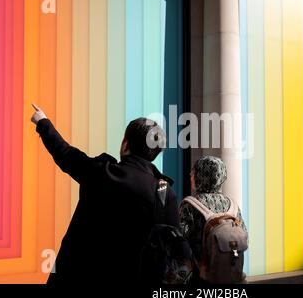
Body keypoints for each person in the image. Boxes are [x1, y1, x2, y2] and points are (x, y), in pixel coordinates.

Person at [30, 104, 179, 286]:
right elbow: (173, 248)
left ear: (125, 144)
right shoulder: (164, 194)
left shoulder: (102, 172)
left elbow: (65, 153)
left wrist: (43, 122)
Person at [179, 156, 247, 284]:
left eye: (194, 172)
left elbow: (182, 242)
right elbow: (245, 237)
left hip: (200, 277)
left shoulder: (190, 204)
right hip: (229, 275)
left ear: (201, 176)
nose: (190, 175)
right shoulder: (232, 205)